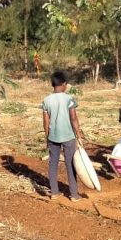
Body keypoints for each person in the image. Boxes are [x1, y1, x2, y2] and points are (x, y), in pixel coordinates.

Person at [41, 71, 84, 200]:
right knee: (71, 163)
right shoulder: (69, 99)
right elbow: (74, 118)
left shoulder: (46, 100)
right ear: (64, 84)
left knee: (53, 163)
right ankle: (74, 194)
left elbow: (45, 122)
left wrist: (47, 137)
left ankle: (54, 192)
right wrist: (78, 135)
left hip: (53, 136)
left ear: (52, 84)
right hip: (68, 136)